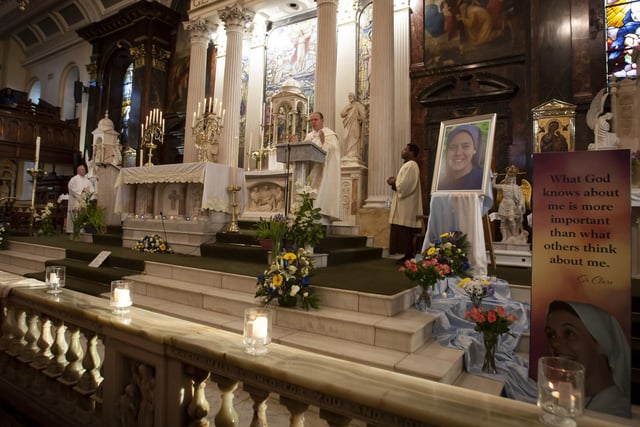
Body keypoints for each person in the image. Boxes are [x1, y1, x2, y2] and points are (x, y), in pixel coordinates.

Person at [545, 300, 631, 419]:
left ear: (602, 343)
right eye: (552, 335)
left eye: (569, 333)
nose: (555, 343)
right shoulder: (572, 400)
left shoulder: (615, 411)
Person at [292, 112, 341, 220]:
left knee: (319, 196)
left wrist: (324, 143)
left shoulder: (330, 135)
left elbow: (334, 152)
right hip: (310, 171)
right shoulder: (309, 136)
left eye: (316, 119)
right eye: (311, 120)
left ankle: (321, 215)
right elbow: (304, 152)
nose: (313, 122)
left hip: (322, 172)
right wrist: (296, 146)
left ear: (322, 121)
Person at [387, 143, 423, 264]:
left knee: (406, 232)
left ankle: (409, 256)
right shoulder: (409, 165)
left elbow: (405, 185)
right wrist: (396, 182)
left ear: (411, 153)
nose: (402, 151)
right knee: (403, 232)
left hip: (407, 207)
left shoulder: (411, 165)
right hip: (404, 205)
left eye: (405, 149)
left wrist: (394, 182)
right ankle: (406, 255)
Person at [437, 124, 484, 191]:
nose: (458, 153)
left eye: (465, 146)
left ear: (475, 150)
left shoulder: (483, 179)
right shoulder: (440, 185)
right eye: (452, 147)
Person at [492, 166, 527, 243]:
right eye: (509, 178)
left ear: (514, 179)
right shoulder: (503, 186)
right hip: (503, 204)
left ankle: (514, 235)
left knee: (511, 219)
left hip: (512, 206)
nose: (510, 180)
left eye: (512, 178)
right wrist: (494, 177)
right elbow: (493, 186)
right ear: (507, 178)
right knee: (503, 221)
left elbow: (521, 197)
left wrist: (520, 205)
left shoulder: (516, 187)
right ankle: (504, 238)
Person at [65, 164, 94, 233]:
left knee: (82, 215)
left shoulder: (87, 181)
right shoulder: (74, 179)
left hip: (85, 201)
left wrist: (88, 196)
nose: (83, 171)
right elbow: (72, 189)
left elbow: (92, 190)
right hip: (75, 201)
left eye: (84, 169)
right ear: (78, 171)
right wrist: (81, 193)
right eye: (82, 169)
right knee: (74, 215)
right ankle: (71, 230)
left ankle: (82, 230)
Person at [340, 92, 366, 160]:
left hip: (355, 125)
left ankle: (353, 154)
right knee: (345, 138)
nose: (350, 97)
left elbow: (363, 116)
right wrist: (348, 108)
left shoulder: (357, 104)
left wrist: (358, 118)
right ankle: (347, 154)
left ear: (354, 97)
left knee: (354, 138)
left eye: (351, 96)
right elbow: (342, 114)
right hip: (348, 125)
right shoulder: (348, 106)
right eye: (349, 96)